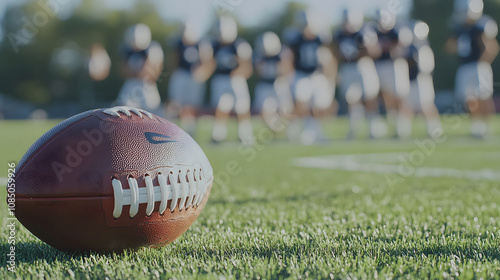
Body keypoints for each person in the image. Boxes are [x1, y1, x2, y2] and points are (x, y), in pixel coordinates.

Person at [447, 0, 498, 138]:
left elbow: (491, 48)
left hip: (478, 66)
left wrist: (481, 64)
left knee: (483, 97)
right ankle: (477, 126)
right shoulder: (460, 28)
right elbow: (450, 48)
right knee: (469, 99)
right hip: (465, 67)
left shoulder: (480, 26)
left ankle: (487, 126)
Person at [285, 10, 336, 145]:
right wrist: (288, 74)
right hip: (301, 74)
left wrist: (330, 75)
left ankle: (315, 131)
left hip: (317, 75)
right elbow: (289, 57)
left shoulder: (321, 38)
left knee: (318, 105)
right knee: (301, 103)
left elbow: (328, 57)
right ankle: (299, 128)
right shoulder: (295, 38)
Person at [333, 8, 385, 139]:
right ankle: (353, 128)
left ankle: (373, 127)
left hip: (363, 66)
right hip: (347, 68)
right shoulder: (339, 35)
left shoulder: (364, 32)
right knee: (350, 98)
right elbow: (335, 52)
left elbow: (374, 51)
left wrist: (359, 53)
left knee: (369, 96)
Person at [210, 16, 254, 145]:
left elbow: (247, 67)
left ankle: (245, 134)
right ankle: (218, 134)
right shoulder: (214, 45)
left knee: (242, 107)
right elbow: (210, 63)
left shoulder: (239, 45)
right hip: (220, 79)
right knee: (220, 107)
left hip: (236, 80)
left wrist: (237, 74)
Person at [167, 21, 215, 137]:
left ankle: (190, 129)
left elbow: (209, 62)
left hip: (194, 78)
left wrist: (203, 74)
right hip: (181, 75)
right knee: (176, 102)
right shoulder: (178, 43)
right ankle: (170, 129)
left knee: (192, 104)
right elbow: (173, 60)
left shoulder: (202, 44)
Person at [373, 9, 412, 138]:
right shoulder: (375, 32)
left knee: (399, 95)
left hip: (395, 65)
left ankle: (403, 124)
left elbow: (400, 49)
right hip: (381, 65)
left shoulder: (396, 31)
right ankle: (394, 121)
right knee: (386, 95)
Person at [403, 20, 443, 139]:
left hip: (422, 80)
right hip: (414, 81)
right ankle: (404, 130)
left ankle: (434, 128)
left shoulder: (421, 47)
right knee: (408, 105)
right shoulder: (412, 47)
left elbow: (422, 67)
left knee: (426, 105)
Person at [116, 24, 164, 114]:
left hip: (147, 86)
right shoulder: (127, 51)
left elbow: (151, 73)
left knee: (152, 113)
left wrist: (138, 73)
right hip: (130, 86)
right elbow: (123, 71)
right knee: (124, 113)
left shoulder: (153, 49)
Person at [252, 31, 294, 133]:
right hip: (265, 84)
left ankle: (291, 131)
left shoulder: (282, 53)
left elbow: (288, 70)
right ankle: (275, 129)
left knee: (286, 110)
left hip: (279, 83)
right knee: (263, 111)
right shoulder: (259, 55)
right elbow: (257, 71)